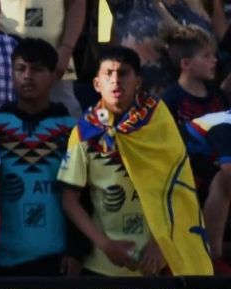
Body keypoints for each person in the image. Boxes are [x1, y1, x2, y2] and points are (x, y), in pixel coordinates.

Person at [57, 45, 213, 276]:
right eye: (108, 73)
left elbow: (179, 189)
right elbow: (70, 200)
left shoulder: (159, 124)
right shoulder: (84, 132)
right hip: (102, 266)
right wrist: (106, 245)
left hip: (158, 262)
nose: (115, 80)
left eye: (123, 73)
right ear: (96, 84)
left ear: (138, 81)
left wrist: (161, 242)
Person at [0, 38, 79, 276]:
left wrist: (76, 250)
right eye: (20, 69)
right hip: (3, 257)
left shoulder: (71, 130)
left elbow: (83, 195)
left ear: (53, 75)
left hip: (57, 255)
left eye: (37, 69)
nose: (27, 76)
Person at [0, 0, 86, 118]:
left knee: (68, 113)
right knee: (4, 118)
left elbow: (77, 2)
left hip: (59, 54)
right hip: (6, 56)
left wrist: (67, 48)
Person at [184, 110, 231, 274]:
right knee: (224, 182)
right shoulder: (224, 126)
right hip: (180, 170)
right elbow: (229, 174)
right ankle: (212, 257)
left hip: (203, 167)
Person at [161, 24, 227, 128]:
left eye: (213, 55)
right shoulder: (169, 101)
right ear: (186, 64)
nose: (214, 60)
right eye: (206, 56)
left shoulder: (218, 95)